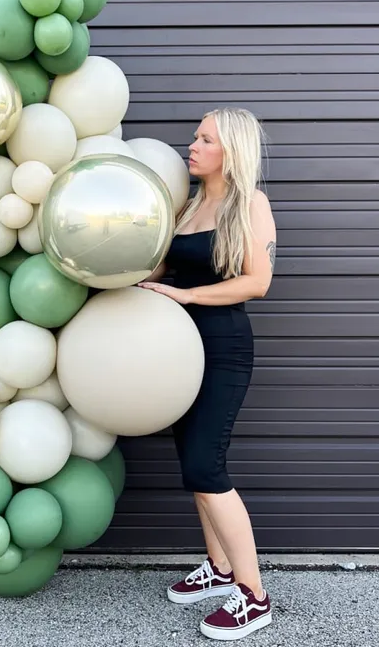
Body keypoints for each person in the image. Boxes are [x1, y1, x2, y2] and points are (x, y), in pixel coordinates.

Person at [138, 107, 276, 641]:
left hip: (222, 346)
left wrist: (187, 294)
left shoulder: (250, 204)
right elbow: (158, 270)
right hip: (178, 351)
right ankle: (218, 570)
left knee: (206, 465)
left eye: (205, 139)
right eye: (194, 136)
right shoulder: (190, 205)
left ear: (231, 151)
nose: (191, 146)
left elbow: (256, 282)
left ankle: (253, 596)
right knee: (192, 466)